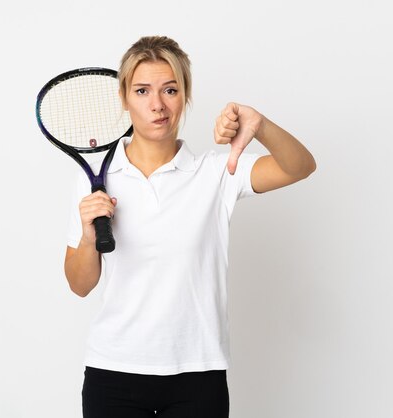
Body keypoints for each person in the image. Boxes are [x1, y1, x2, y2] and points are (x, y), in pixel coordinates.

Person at [64, 35, 316, 418]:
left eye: (170, 89)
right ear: (124, 98)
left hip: (197, 375)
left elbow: (300, 166)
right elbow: (80, 285)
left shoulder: (216, 173)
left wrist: (259, 124)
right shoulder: (96, 180)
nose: (157, 105)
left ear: (185, 95)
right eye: (142, 90)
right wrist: (87, 237)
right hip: (113, 373)